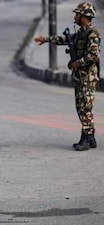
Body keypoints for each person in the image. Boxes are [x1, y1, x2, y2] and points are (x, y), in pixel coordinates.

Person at [34, 2, 101, 151]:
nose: (75, 17)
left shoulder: (92, 33)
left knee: (85, 107)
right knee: (81, 106)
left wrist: (78, 63)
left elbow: (94, 55)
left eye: (77, 14)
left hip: (88, 76)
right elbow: (64, 39)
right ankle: (90, 137)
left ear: (84, 16)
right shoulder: (82, 32)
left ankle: (85, 138)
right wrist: (46, 39)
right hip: (80, 76)